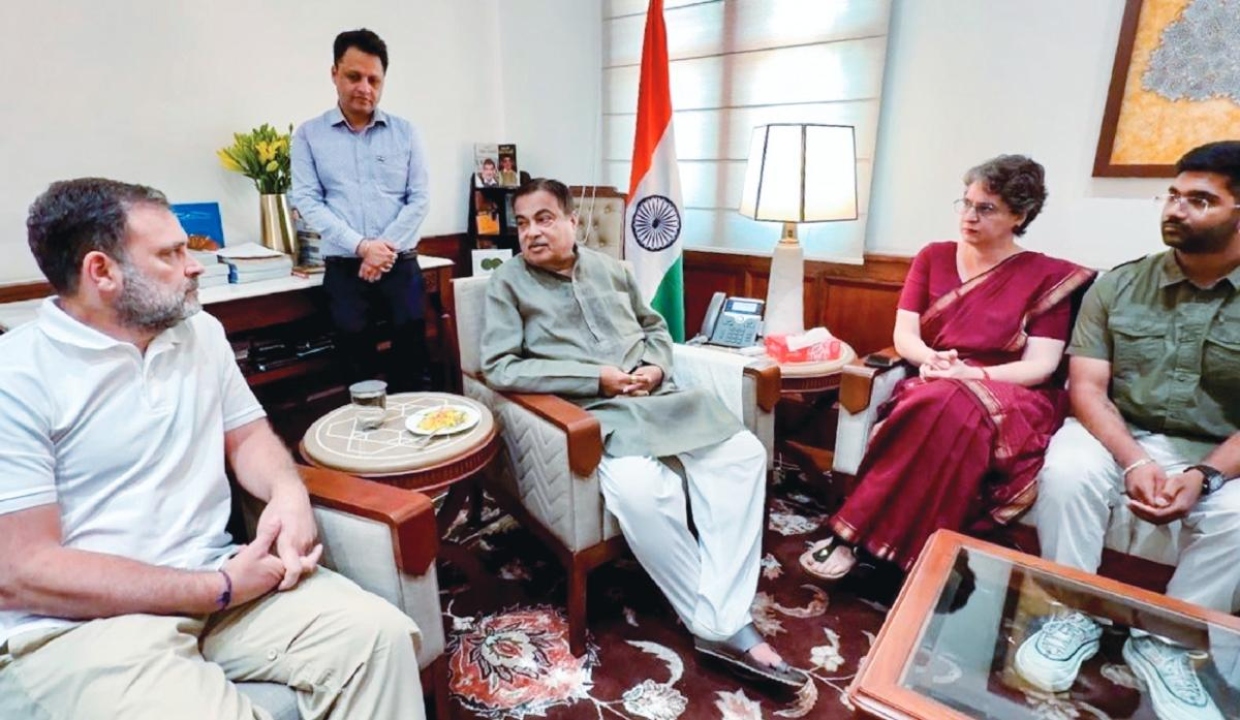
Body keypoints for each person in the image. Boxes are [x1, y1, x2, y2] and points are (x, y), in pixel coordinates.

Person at [0, 178, 425, 719]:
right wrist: (214, 588)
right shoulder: (16, 376)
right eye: (171, 254)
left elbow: (247, 436)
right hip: (82, 629)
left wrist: (288, 492)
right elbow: (21, 571)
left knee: (378, 639)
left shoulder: (199, 332)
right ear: (100, 272)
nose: (195, 264)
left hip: (219, 578)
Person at [480, 178, 804, 689]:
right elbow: (498, 367)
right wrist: (593, 378)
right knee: (640, 491)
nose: (532, 233)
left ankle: (716, 615)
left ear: (572, 221)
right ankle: (722, 626)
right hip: (595, 412)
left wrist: (654, 366)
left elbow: (655, 329)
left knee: (742, 453)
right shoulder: (507, 284)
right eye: (522, 224)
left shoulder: (614, 270)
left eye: (544, 218)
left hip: (658, 396)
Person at [1014, 141, 1240, 719]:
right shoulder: (1116, 286)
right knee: (1067, 467)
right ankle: (1072, 612)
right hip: (1117, 433)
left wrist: (1206, 475)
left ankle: (1166, 640)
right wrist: (1136, 461)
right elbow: (1087, 389)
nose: (1175, 209)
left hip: (1221, 451)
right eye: (1173, 195)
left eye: (1200, 200)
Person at [799, 155, 1094, 581]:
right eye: (966, 203)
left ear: (1020, 215)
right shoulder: (933, 257)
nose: (969, 217)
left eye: (986, 208)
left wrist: (971, 376)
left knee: (947, 405)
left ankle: (853, 533)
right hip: (934, 378)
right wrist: (931, 359)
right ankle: (911, 553)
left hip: (1008, 393)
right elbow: (906, 337)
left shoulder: (1047, 277)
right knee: (937, 401)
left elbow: (1042, 366)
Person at [290, 28, 431, 392]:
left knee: (413, 363)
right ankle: (368, 442)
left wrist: (381, 249)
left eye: (374, 79)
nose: (364, 88)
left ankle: (416, 443)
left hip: (401, 265)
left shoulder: (406, 132)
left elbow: (419, 199)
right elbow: (306, 201)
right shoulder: (308, 136)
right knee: (356, 368)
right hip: (344, 270)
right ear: (334, 73)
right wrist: (361, 247)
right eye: (354, 76)